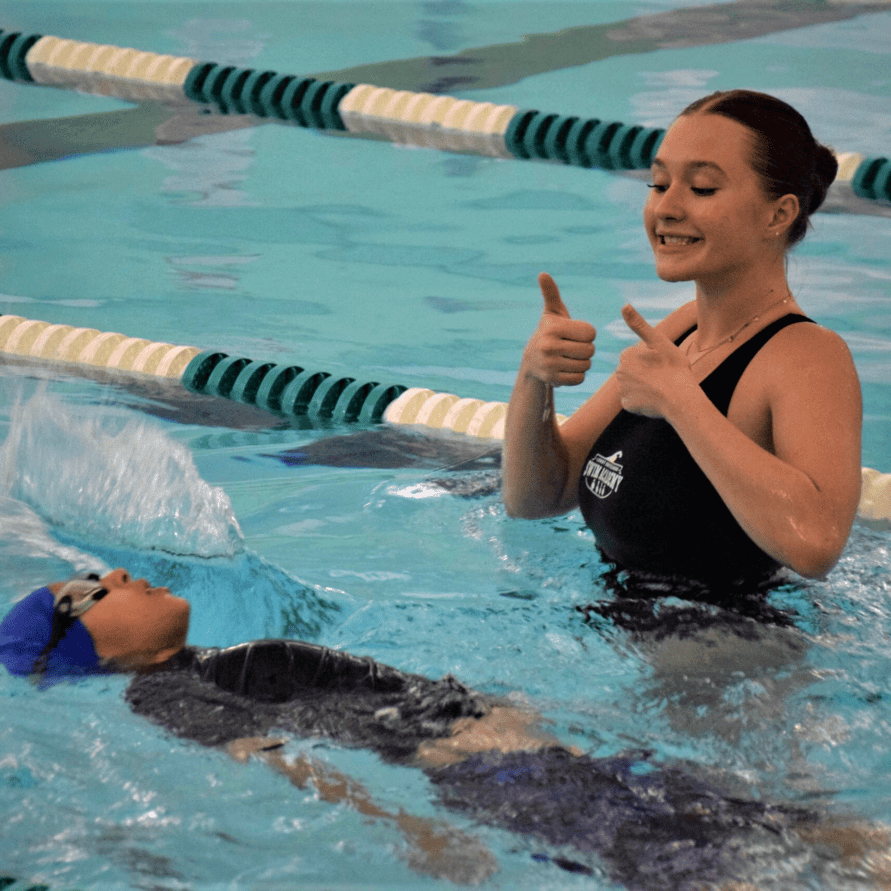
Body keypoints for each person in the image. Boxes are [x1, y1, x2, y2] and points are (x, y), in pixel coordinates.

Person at [3, 568, 891, 889]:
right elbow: (279, 763)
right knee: (719, 866)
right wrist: (407, 827)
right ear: (79, 645)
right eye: (93, 587)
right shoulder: (161, 697)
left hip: (538, 752)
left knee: (783, 829)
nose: (120, 572)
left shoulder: (202, 667)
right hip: (501, 776)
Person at [502, 90, 863, 593]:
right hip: (621, 633)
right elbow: (537, 497)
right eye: (659, 183)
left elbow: (817, 544)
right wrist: (533, 380)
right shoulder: (680, 330)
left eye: (702, 188)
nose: (665, 207)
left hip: (726, 654)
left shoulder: (808, 356)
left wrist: (683, 403)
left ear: (777, 216)